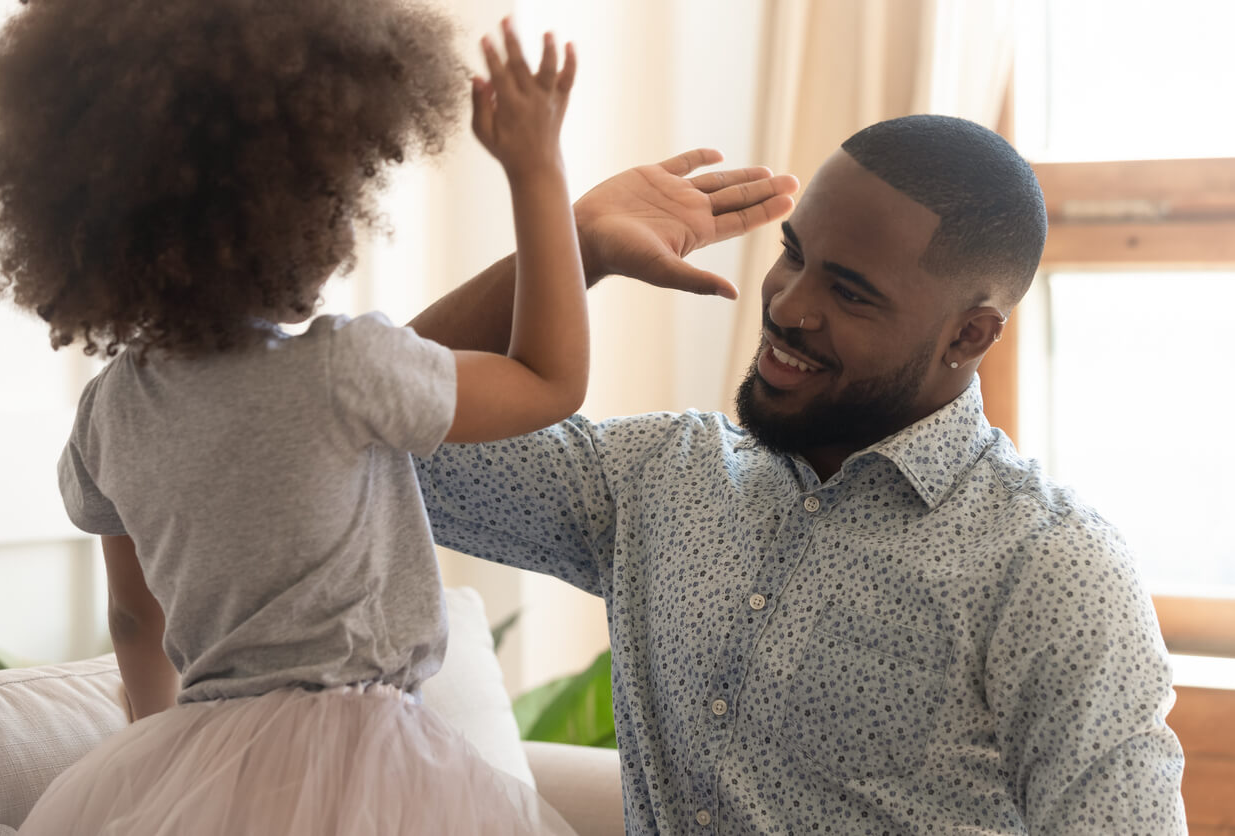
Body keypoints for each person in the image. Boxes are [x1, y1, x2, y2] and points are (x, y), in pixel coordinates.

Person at [410, 116, 1187, 834]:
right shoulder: (661, 476)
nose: (788, 303)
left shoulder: (1051, 571)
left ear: (970, 333)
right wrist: (574, 247)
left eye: (849, 293)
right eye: (793, 253)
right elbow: (373, 426)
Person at [0, 1, 615, 832]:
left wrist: (172, 772)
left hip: (210, 761)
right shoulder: (345, 369)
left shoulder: (108, 412)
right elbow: (550, 378)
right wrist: (536, 169)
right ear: (308, 192)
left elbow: (134, 618)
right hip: (375, 758)